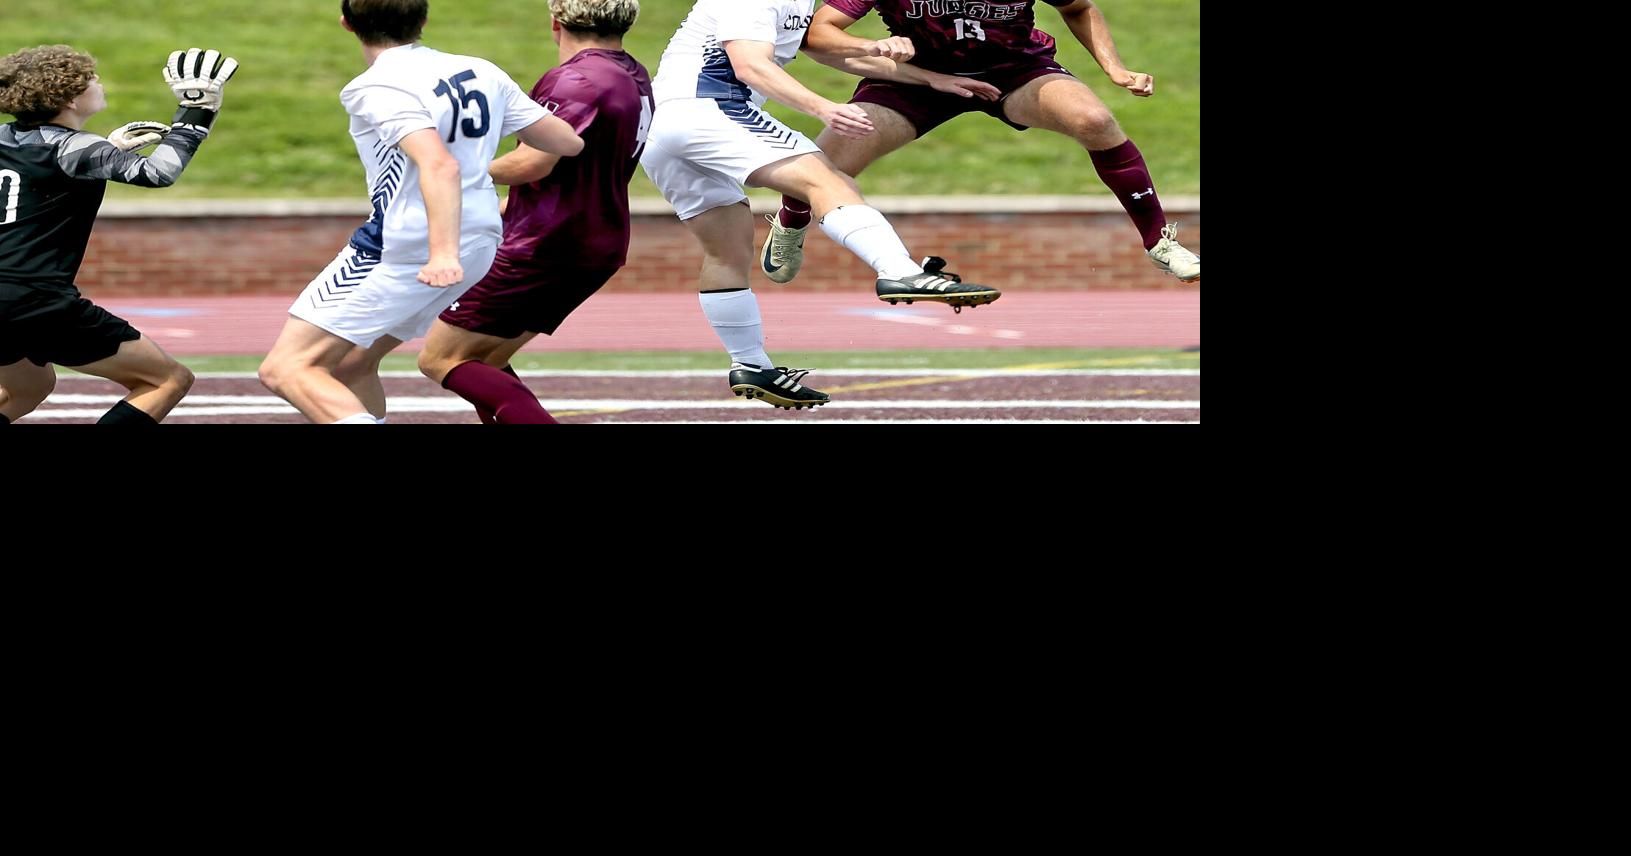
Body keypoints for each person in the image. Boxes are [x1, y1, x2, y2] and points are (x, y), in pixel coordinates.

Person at [641, 0, 1001, 410]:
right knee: (827, 181)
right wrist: (823, 107)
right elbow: (750, 66)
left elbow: (831, 52)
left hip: (667, 128)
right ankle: (901, 272)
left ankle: (750, 364)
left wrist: (929, 79)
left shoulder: (797, 3)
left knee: (726, 249)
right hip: (711, 109)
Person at [257, 0, 584, 424]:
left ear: (347, 24)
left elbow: (438, 163)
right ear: (423, 20)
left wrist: (441, 252)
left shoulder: (375, 86)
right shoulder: (481, 70)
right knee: (349, 364)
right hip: (481, 243)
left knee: (285, 368)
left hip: (406, 250)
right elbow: (566, 142)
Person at [766, 0, 1200, 284]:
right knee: (823, 163)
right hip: (919, 79)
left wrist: (1115, 70)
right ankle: (791, 220)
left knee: (1094, 119)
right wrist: (874, 45)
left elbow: (1079, 6)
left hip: (1013, 70)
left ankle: (1159, 241)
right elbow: (820, 32)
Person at [417, 0, 651, 425]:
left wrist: (458, 172)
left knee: (440, 359)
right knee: (483, 362)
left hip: (545, 245)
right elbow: (580, 172)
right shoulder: (633, 73)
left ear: (555, 22)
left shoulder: (574, 79)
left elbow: (533, 163)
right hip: (595, 240)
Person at [1, 44, 237, 425]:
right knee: (167, 380)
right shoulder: (75, 147)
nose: (98, 82)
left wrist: (108, 151)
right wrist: (197, 112)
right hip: (34, 299)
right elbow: (159, 173)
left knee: (27, 387)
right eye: (89, 79)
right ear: (70, 98)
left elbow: (35, 178)